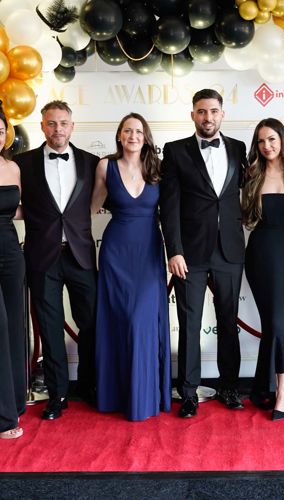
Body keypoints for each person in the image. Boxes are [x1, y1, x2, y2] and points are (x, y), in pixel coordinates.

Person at [160, 89, 247, 418]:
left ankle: (230, 387)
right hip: (190, 253)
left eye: (213, 111)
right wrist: (174, 251)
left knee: (228, 321)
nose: (207, 117)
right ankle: (189, 393)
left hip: (230, 249)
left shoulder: (239, 148)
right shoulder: (175, 150)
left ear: (222, 114)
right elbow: (169, 206)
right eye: (201, 111)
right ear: (193, 115)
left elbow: (251, 188)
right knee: (189, 324)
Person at [15, 101, 99, 420]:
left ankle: (90, 386)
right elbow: (13, 202)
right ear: (42, 127)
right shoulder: (23, 163)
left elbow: (97, 202)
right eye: (51, 123)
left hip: (80, 255)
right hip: (42, 257)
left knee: (91, 324)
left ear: (72, 126)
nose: (57, 129)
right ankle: (58, 394)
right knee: (50, 329)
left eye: (63, 123)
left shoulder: (92, 162)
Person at [91, 113, 171, 421]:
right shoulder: (105, 167)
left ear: (146, 136)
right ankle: (116, 396)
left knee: (141, 321)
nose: (133, 136)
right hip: (116, 253)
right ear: (119, 135)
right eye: (128, 131)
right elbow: (91, 208)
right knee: (119, 322)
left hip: (149, 253)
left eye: (138, 131)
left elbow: (171, 211)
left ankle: (144, 396)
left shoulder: (158, 169)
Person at [242, 118, 284, 421]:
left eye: (272, 139)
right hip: (259, 252)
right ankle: (264, 386)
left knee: (279, 322)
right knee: (271, 324)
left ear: (283, 140)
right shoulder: (251, 174)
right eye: (261, 141)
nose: (266, 146)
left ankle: (283, 391)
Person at [0, 106, 25, 439]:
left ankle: (16, 402)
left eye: (0, 130)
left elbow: (19, 210)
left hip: (9, 250)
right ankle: (4, 418)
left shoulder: (13, 168)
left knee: (15, 327)